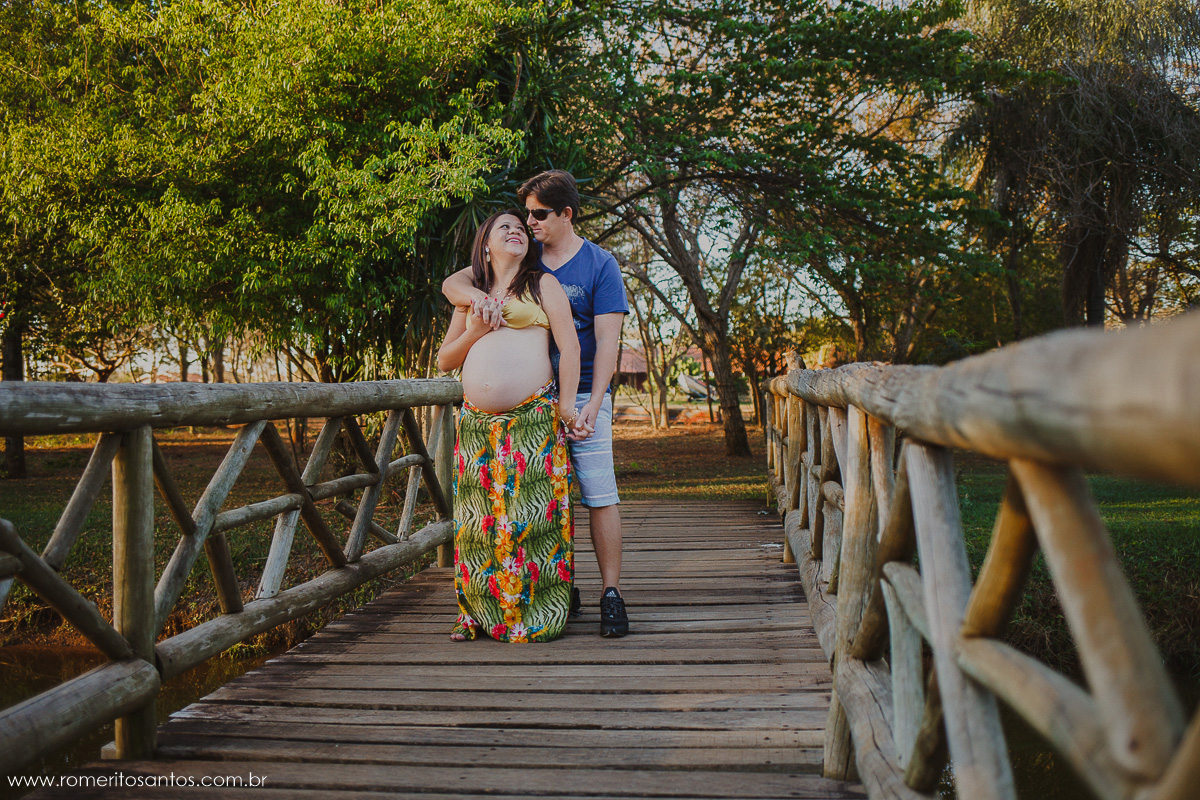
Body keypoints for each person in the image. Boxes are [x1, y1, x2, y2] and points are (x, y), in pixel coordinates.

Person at [443, 171, 630, 637]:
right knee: (503, 510)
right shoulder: (503, 267)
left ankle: (610, 594)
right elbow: (453, 288)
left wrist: (585, 403)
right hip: (503, 412)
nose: (527, 224)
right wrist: (475, 307)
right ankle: (532, 594)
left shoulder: (595, 266)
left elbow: (601, 342)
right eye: (522, 217)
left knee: (587, 494)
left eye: (536, 216)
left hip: (576, 395)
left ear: (566, 214)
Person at [436, 210, 581, 643]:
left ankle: (538, 615)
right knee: (477, 522)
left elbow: (569, 347)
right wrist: (475, 328)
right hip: (477, 425)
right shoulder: (471, 294)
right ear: (485, 244)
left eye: (521, 227)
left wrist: (569, 407)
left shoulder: (542, 285)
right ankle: (478, 615)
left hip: (531, 418)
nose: (517, 230)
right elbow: (446, 359)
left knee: (534, 519)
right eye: (506, 227)